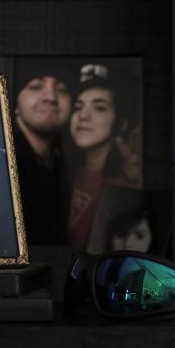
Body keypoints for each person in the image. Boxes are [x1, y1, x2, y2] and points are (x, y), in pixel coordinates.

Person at [67, 63, 142, 248]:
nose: (83, 115)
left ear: (121, 122)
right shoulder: (64, 174)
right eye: (78, 106)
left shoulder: (126, 184)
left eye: (99, 108)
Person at [12, 62, 73, 243]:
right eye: (36, 86)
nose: (51, 97)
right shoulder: (1, 164)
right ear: (15, 104)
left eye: (61, 89)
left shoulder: (65, 163)